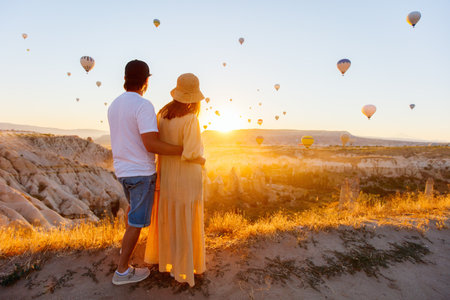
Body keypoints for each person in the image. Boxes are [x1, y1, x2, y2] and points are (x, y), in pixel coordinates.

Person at [108, 60, 183, 285]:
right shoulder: (143, 105)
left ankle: (127, 257)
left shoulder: (114, 105)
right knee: (136, 222)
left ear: (124, 79)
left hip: (123, 171)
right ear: (146, 81)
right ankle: (122, 271)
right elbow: (151, 144)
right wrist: (181, 150)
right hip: (141, 173)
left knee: (133, 215)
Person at [144, 73, 206, 287]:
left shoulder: (162, 115)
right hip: (187, 176)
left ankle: (168, 263)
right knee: (186, 220)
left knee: (170, 218)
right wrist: (203, 159)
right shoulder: (191, 119)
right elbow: (191, 153)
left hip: (168, 175)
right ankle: (183, 269)